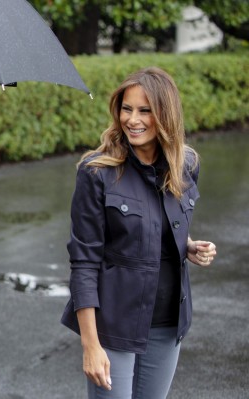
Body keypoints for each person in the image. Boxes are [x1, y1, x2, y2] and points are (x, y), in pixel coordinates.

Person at [60, 67, 217, 399]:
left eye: (145, 110)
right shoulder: (97, 172)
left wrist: (188, 245)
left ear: (165, 114)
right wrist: (91, 345)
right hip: (114, 323)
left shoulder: (186, 164)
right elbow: (84, 264)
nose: (133, 119)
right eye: (126, 109)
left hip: (167, 321)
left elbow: (160, 223)